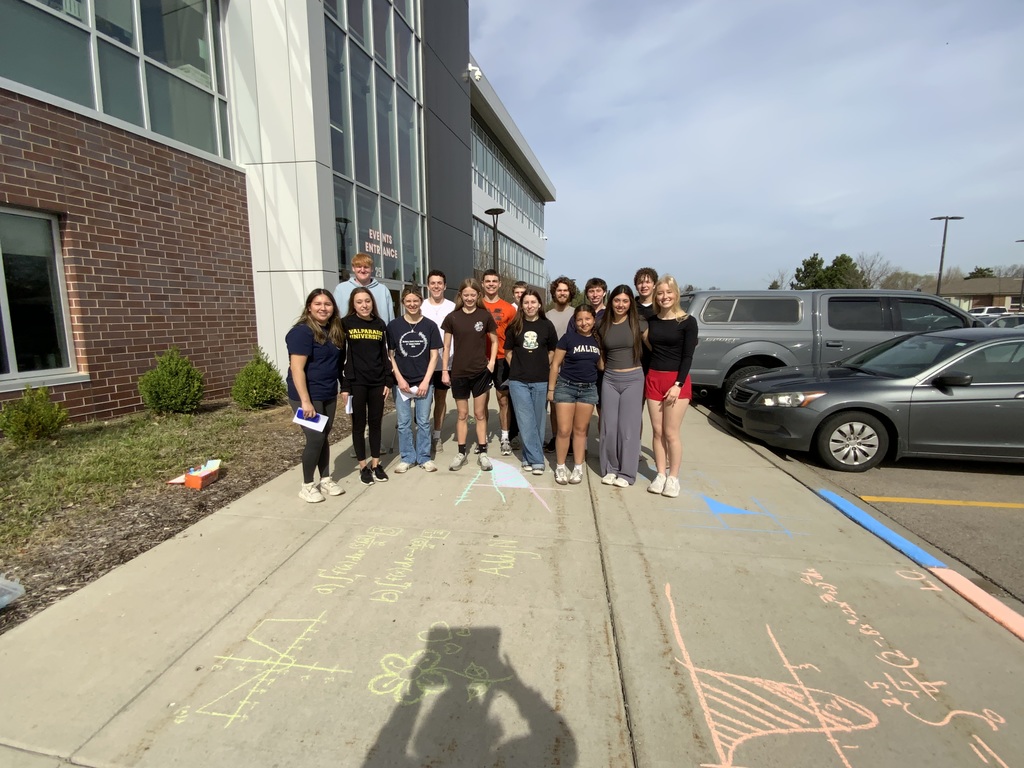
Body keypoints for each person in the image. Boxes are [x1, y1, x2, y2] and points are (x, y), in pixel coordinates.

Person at [285, 289, 347, 503]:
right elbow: (297, 369)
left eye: (327, 304)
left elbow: (337, 365)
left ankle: (326, 479)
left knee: (324, 435)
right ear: (309, 307)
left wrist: (342, 388)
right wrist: (305, 401)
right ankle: (307, 485)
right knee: (315, 437)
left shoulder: (334, 330)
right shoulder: (301, 332)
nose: (323, 308)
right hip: (305, 395)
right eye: (318, 304)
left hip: (327, 392)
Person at [645, 275, 698, 498]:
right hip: (654, 378)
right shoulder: (652, 321)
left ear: (676, 294)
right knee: (657, 431)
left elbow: (688, 356)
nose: (664, 296)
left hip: (676, 381)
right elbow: (648, 345)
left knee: (670, 432)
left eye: (668, 292)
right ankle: (660, 474)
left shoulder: (687, 322)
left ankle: (673, 477)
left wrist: (678, 384)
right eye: (660, 293)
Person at [441, 278, 498, 471]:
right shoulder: (452, 317)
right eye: (466, 295)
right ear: (461, 295)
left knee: (480, 414)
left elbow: (495, 341)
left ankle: (483, 453)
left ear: (478, 295)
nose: (469, 298)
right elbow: (446, 346)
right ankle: (461, 453)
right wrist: (445, 371)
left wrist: (491, 363)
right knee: (463, 414)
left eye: (473, 295)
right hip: (459, 373)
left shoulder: (485, 316)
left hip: (480, 372)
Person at [341, 287, 393, 486]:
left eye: (367, 301)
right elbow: (342, 357)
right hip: (356, 383)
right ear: (353, 305)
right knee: (358, 424)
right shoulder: (345, 324)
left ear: (372, 302)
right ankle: (363, 466)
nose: (364, 305)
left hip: (377, 382)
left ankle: (376, 464)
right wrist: (345, 386)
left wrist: (388, 380)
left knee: (376, 423)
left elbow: (385, 354)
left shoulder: (380, 324)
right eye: (359, 302)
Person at [598, 285, 649, 487]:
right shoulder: (602, 324)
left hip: (633, 379)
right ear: (611, 301)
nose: (621, 304)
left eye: (625, 301)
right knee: (608, 427)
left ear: (630, 303)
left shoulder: (639, 323)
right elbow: (600, 353)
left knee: (628, 429)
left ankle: (627, 474)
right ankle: (610, 469)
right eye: (617, 300)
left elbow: (656, 348)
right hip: (610, 379)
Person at [388, 287, 442, 473]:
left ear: (421, 302)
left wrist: (426, 381)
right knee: (403, 423)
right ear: (403, 302)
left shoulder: (430, 326)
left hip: (423, 381)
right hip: (401, 382)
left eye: (415, 301)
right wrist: (399, 379)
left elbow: (434, 356)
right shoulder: (394, 326)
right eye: (408, 301)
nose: (412, 304)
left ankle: (424, 457)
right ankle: (407, 457)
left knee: (423, 421)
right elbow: (390, 355)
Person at [504, 289, 558, 475]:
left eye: (533, 302)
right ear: (521, 305)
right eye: (526, 302)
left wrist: (543, 364)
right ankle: (538, 460)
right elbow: (508, 351)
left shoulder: (547, 325)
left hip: (541, 380)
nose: (529, 306)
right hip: (518, 380)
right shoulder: (515, 326)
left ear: (539, 304)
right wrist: (517, 366)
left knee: (538, 420)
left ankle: (528, 457)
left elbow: (553, 350)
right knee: (525, 420)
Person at [548, 305, 601, 485]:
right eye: (579, 319)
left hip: (588, 389)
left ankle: (578, 467)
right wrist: (551, 389)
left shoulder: (598, 340)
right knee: (564, 430)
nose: (583, 323)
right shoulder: (568, 338)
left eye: (587, 319)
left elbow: (601, 366)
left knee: (580, 431)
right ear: (575, 321)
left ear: (593, 320)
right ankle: (560, 466)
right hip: (566, 387)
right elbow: (555, 364)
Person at [481, 269, 517, 455]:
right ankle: (482, 438)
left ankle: (505, 437)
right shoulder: (476, 305)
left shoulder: (509, 309)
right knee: (482, 401)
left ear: (500, 284)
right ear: (482, 284)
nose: (491, 284)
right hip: (481, 358)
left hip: (502, 358)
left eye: (494, 281)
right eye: (487, 281)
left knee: (503, 399)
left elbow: (515, 335)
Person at [420, 270, 455, 454]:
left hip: (444, 363)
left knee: (440, 398)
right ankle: (423, 433)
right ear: (428, 286)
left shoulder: (452, 307)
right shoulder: (420, 306)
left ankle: (437, 435)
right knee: (423, 399)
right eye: (433, 283)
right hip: (423, 363)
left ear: (445, 286)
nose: (436, 286)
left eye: (439, 283)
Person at [544, 276, 578, 453]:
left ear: (570, 292)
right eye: (559, 290)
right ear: (554, 293)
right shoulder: (547, 316)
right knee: (555, 405)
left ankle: (571, 440)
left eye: (565, 290)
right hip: (554, 367)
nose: (562, 293)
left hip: (573, 367)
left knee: (572, 407)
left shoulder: (576, 313)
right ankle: (556, 436)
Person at [334, 252, 395, 327]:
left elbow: (391, 318)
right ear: (353, 268)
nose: (362, 270)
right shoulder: (341, 289)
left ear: (372, 269)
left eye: (366, 267)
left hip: (377, 332)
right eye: (359, 266)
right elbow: (335, 316)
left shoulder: (383, 290)